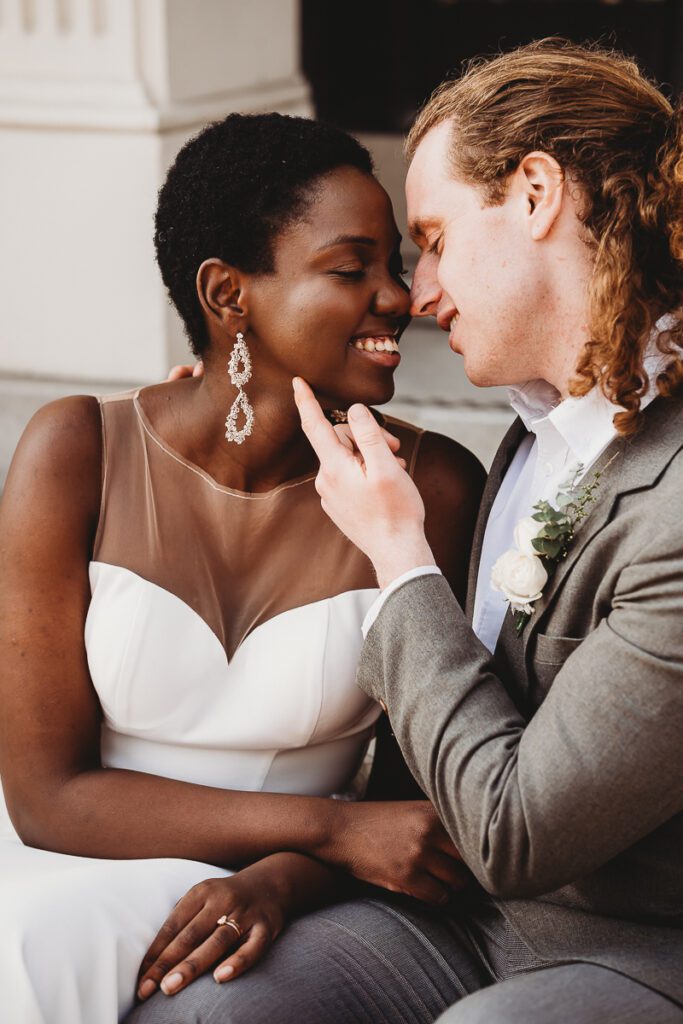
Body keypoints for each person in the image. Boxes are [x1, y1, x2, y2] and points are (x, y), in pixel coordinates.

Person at [0, 113, 485, 1024]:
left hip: (279, 886)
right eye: (353, 269)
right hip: (69, 860)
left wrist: (286, 879)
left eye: (395, 265)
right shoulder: (75, 452)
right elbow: (45, 799)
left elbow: (410, 813)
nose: (398, 297)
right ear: (228, 294)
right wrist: (331, 830)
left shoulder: (435, 487)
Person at [293, 38, 683, 1022]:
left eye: (432, 236)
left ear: (535, 192)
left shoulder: (673, 501)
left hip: (637, 952)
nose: (417, 292)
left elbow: (512, 828)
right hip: (460, 919)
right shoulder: (528, 433)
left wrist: (396, 552)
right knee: (216, 999)